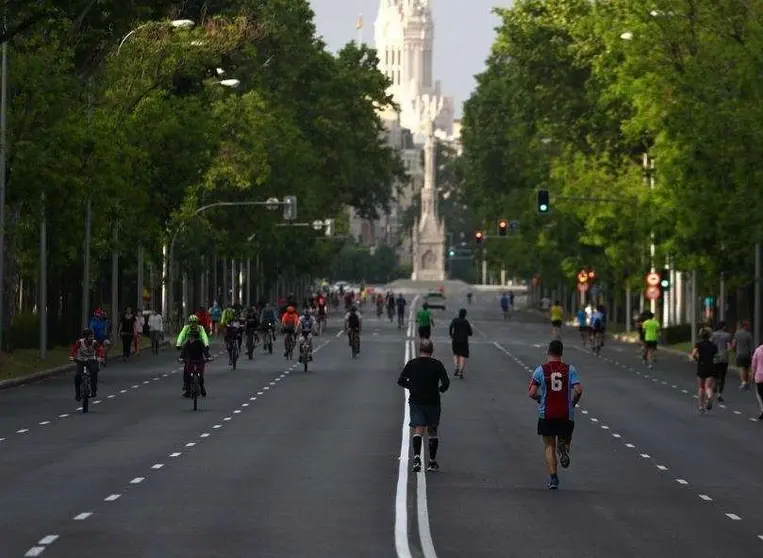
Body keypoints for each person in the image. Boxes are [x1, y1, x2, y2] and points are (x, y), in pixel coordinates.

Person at [528, 340, 583, 490]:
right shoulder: (570, 370)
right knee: (563, 439)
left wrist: (539, 398)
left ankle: (553, 478)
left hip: (546, 414)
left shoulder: (541, 370)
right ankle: (563, 448)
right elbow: (578, 389)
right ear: (561, 354)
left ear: (548, 352)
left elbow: (531, 392)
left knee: (548, 445)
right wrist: (574, 402)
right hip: (566, 414)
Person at [397, 339, 450, 472]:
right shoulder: (437, 365)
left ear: (420, 350)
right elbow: (446, 383)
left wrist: (412, 387)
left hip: (416, 400)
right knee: (432, 430)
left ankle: (416, 458)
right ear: (432, 351)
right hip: (432, 401)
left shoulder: (412, 364)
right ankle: (432, 462)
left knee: (418, 428)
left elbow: (401, 380)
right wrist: (440, 389)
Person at [70, 329, 105, 401]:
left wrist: (100, 357)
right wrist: (72, 356)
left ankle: (93, 390)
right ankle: (78, 393)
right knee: (77, 377)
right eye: (90, 336)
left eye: (92, 336)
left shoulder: (94, 343)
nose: (91, 338)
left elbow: (99, 350)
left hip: (91, 360)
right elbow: (74, 349)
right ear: (85, 337)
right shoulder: (80, 342)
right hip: (81, 360)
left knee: (94, 373)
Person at [690, 327, 718, 413]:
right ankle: (709, 397)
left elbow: (693, 354)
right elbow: (716, 357)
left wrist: (697, 359)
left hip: (702, 366)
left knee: (701, 387)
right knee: (708, 386)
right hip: (711, 366)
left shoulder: (699, 344)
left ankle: (701, 407)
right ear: (709, 335)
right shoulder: (713, 345)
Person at [179, 328, 211, 398]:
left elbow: (205, 351)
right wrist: (181, 358)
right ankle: (188, 390)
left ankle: (202, 387)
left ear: (196, 337)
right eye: (190, 336)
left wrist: (208, 357)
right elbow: (183, 352)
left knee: (201, 376)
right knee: (187, 375)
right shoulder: (187, 344)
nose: (191, 338)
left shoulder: (200, 343)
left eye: (192, 337)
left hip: (199, 361)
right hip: (190, 361)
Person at [711, 321, 732, 402]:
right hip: (724, 357)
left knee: (715, 374)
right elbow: (729, 347)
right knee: (723, 376)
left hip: (716, 357)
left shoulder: (713, 335)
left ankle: (716, 383)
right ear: (723, 327)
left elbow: (711, 345)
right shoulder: (727, 335)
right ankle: (719, 394)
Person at [449, 308, 473, 379]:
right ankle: (461, 371)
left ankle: (456, 366)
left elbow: (450, 327)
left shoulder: (455, 320)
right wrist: (468, 333)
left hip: (455, 339)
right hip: (464, 341)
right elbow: (470, 332)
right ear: (465, 314)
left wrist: (451, 334)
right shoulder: (466, 322)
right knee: (463, 356)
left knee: (456, 354)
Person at [732, 320, 754, 391]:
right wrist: (752, 354)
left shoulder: (737, 333)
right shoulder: (749, 334)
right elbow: (751, 346)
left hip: (739, 353)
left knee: (742, 368)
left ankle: (743, 382)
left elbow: (734, 343)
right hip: (747, 354)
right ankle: (746, 383)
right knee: (747, 368)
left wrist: (733, 349)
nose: (749, 327)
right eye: (748, 325)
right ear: (745, 326)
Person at [750, 340, 763, 420]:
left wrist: (753, 374)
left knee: (759, 394)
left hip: (760, 375)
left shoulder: (758, 350)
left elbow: (753, 363)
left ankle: (762, 409)